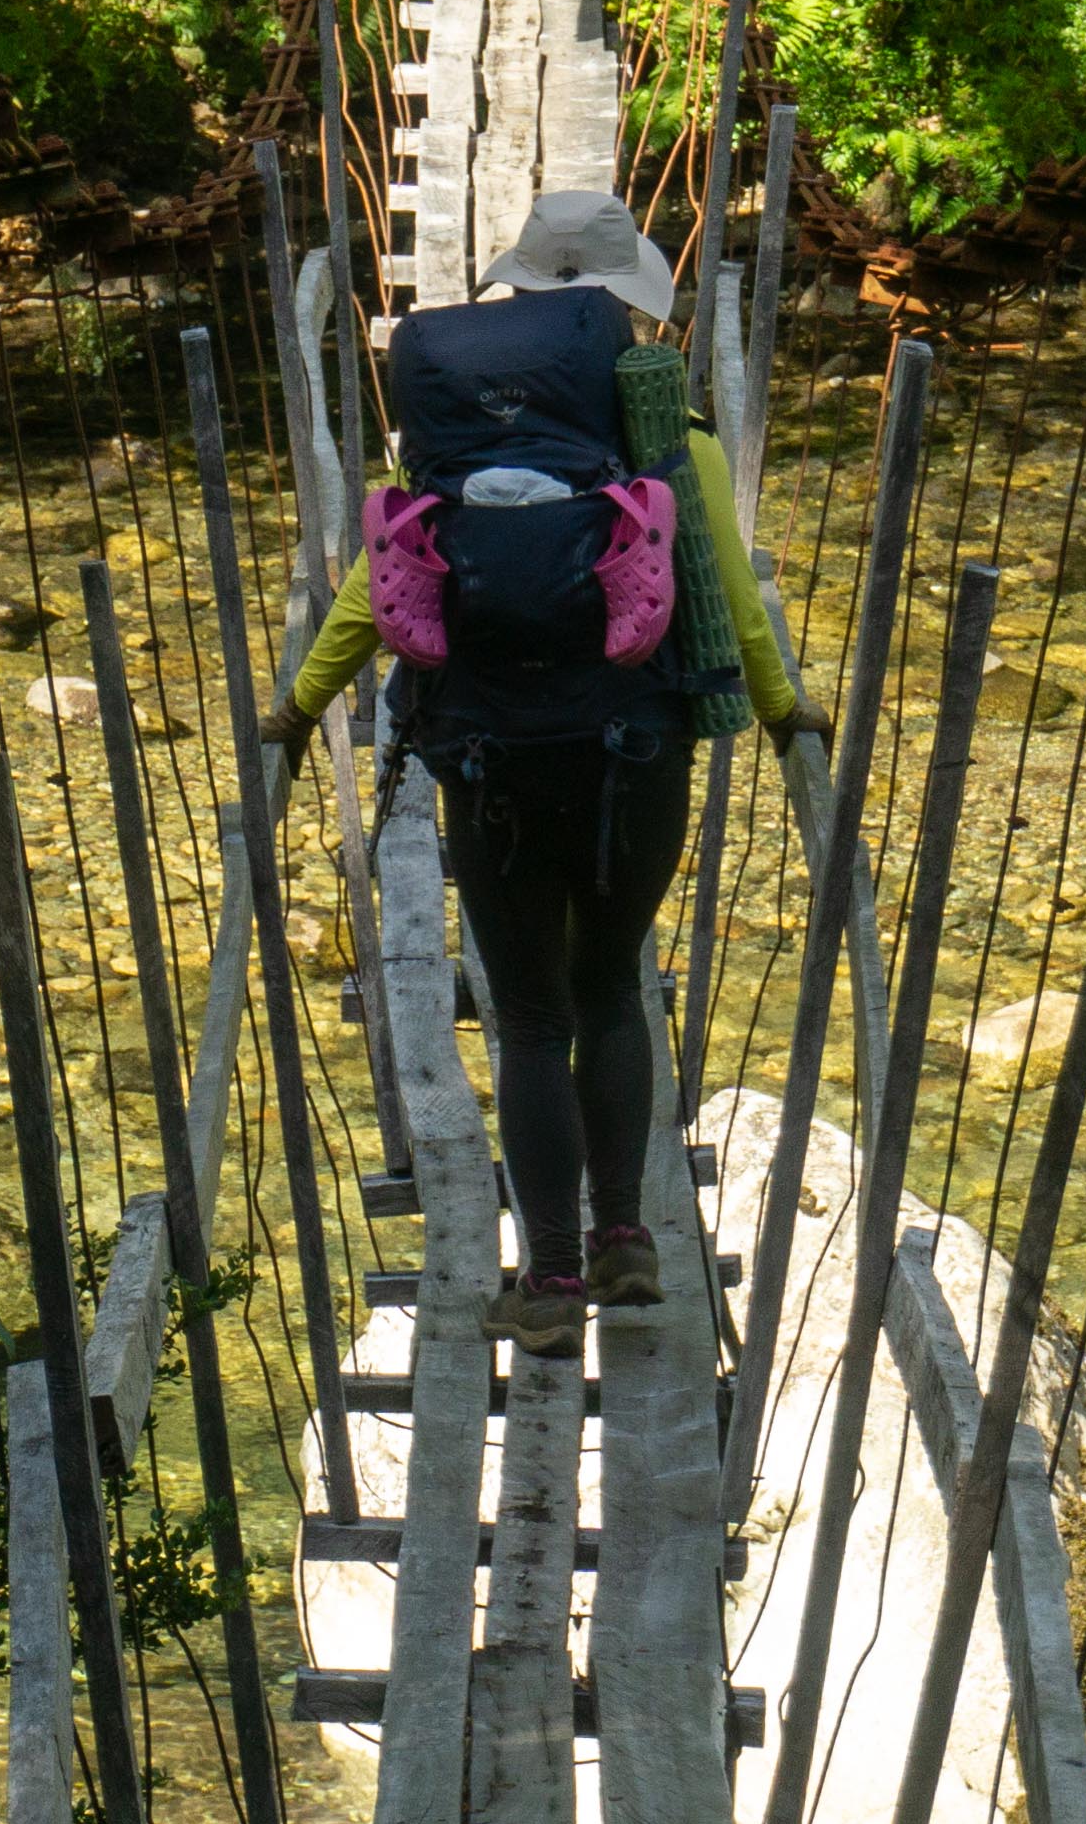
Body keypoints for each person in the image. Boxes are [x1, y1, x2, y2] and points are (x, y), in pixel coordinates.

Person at [260, 191, 814, 1356]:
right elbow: (733, 605)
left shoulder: (451, 447)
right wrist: (783, 713)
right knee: (613, 987)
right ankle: (627, 1241)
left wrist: (301, 705)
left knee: (527, 1017)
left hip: (489, 757)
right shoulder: (676, 449)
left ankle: (549, 1283)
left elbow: (378, 585)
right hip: (635, 755)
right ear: (624, 315)